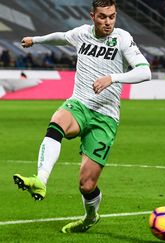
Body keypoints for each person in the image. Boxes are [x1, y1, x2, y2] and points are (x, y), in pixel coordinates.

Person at [13, 0, 151, 233]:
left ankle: (90, 217)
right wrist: (35, 40)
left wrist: (113, 78)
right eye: (102, 17)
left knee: (87, 184)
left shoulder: (123, 38)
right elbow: (61, 35)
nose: (108, 22)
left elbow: (145, 71)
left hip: (105, 117)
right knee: (57, 121)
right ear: (92, 16)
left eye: (112, 16)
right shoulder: (81, 34)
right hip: (79, 104)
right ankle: (41, 180)